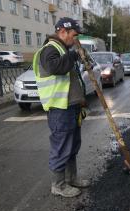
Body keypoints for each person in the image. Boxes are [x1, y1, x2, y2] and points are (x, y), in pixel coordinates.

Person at [33, 17, 90, 198]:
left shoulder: (64, 49)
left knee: (73, 145)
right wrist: (73, 55)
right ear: (63, 32)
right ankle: (58, 185)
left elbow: (71, 78)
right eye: (74, 35)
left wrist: (83, 59)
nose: (75, 39)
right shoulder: (49, 49)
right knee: (62, 147)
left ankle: (71, 178)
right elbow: (55, 68)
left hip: (71, 107)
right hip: (59, 109)